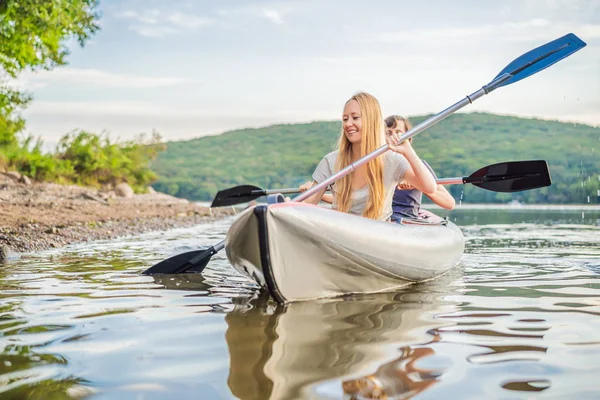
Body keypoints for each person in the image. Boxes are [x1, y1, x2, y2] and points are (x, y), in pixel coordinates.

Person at [301, 92, 436, 221]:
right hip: (340, 234)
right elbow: (308, 203)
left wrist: (408, 151)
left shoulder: (393, 160)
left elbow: (429, 187)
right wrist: (285, 207)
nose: (348, 124)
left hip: (377, 235)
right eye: (345, 119)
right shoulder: (330, 161)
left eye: (355, 118)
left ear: (371, 121)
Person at [384, 115, 455, 222]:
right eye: (388, 133)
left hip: (405, 221)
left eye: (398, 133)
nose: (393, 137)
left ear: (408, 138)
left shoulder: (419, 166)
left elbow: (449, 203)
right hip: (380, 219)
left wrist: (420, 183)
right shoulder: (374, 163)